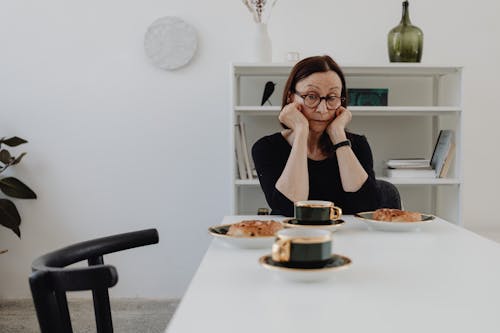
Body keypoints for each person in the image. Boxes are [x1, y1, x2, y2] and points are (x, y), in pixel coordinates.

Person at [252, 55, 380, 217]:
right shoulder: (266, 148)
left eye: (332, 97)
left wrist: (338, 136)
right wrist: (300, 130)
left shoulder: (358, 145)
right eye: (311, 96)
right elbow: (289, 208)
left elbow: (368, 207)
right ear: (290, 97)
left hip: (346, 238)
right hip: (290, 238)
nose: (322, 109)